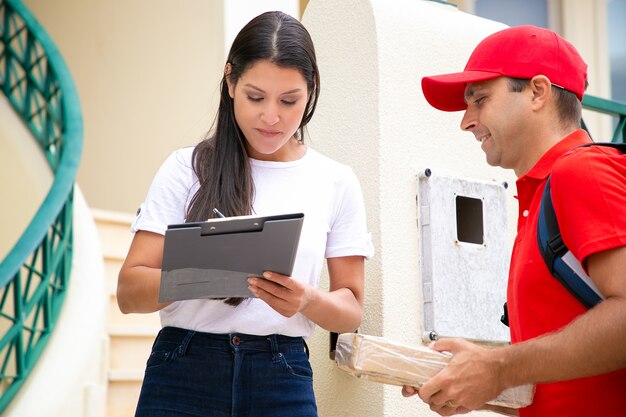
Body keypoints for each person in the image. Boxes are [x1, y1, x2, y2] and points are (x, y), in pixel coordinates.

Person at [117, 11, 373, 417]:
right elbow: (129, 293)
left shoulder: (335, 181)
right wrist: (205, 273)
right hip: (183, 369)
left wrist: (306, 299)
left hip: (282, 373)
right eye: (255, 97)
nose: (271, 117)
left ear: (312, 91)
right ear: (231, 81)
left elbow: (352, 306)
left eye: (289, 101)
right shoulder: (187, 168)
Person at [402, 25, 626, 416]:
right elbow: (561, 385)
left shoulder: (581, 172)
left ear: (538, 91)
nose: (466, 121)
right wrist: (476, 383)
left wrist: (498, 367)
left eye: (480, 99)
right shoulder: (540, 197)